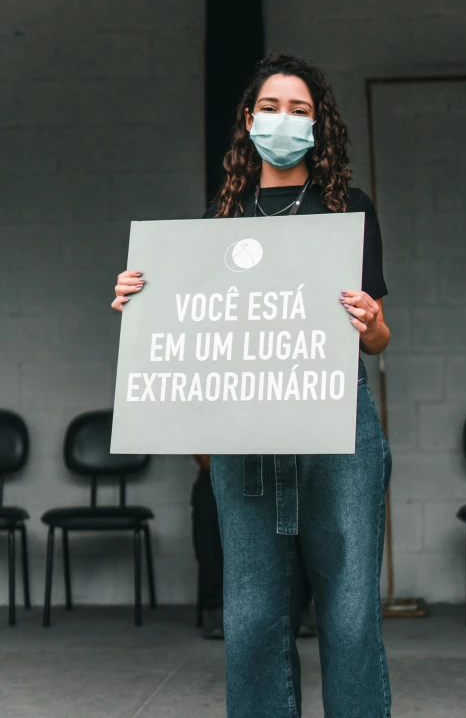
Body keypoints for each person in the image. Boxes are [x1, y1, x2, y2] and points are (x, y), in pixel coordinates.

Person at [112, 53, 393, 718]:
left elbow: (377, 340)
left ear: (318, 125)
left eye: (300, 110)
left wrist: (375, 324)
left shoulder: (346, 209)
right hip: (246, 438)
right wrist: (141, 303)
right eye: (272, 107)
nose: (284, 120)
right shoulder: (219, 222)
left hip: (338, 431)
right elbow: (197, 346)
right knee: (253, 623)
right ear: (248, 119)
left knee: (351, 620)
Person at [191, 454, 318, 640]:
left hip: (279, 460)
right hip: (230, 458)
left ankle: (298, 603)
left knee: (296, 484)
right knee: (209, 487)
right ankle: (215, 605)